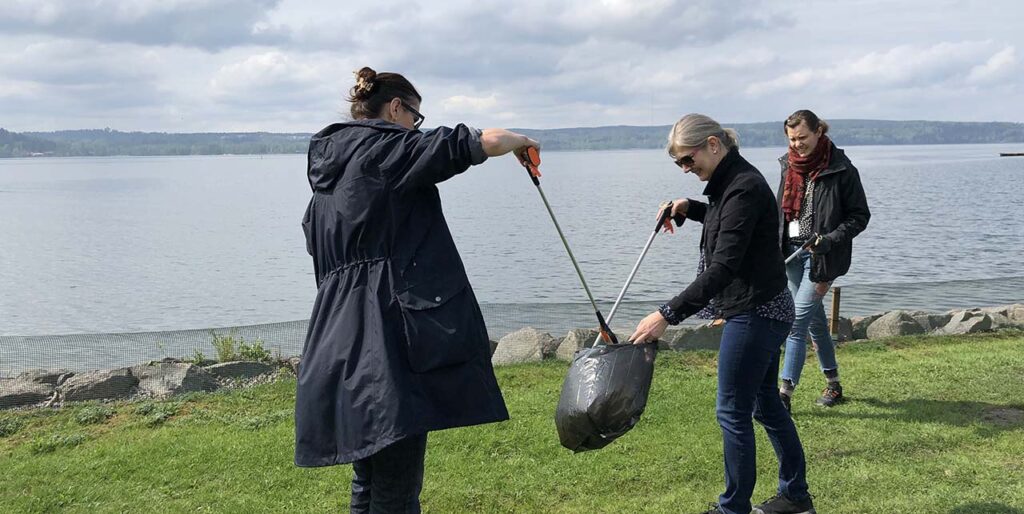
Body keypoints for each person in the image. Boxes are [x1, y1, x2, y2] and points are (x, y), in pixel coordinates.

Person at [294, 67, 539, 513]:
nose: (415, 128)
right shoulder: (387, 151)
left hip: (336, 338)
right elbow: (469, 143)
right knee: (396, 486)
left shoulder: (323, 187)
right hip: (388, 337)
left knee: (368, 476)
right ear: (394, 109)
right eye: (415, 118)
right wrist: (521, 142)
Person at [630, 114, 816, 514]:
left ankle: (734, 508)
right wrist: (689, 207)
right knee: (765, 404)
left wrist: (667, 313)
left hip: (756, 312)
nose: (685, 168)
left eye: (687, 159)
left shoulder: (742, 187)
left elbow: (723, 268)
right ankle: (796, 498)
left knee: (732, 411)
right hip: (767, 307)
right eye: (679, 164)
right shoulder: (731, 183)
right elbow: (728, 223)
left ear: (713, 144)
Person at [777, 110, 870, 411]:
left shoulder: (843, 168)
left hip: (823, 258)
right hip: (791, 253)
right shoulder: (786, 165)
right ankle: (834, 385)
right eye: (792, 139)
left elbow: (859, 217)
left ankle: (784, 394)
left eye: (803, 138)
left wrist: (829, 240)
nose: (797, 145)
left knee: (795, 321)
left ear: (818, 131)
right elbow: (780, 212)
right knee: (815, 323)